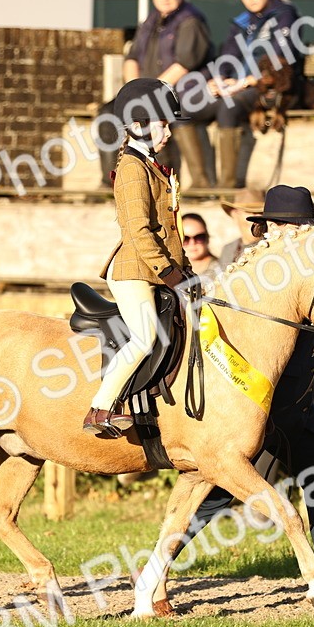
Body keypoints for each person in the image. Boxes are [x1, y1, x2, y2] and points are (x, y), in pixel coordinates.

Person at [164, 186, 314, 612]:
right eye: (292, 225)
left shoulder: (309, 263)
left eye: (304, 225)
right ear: (272, 227)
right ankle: (158, 566)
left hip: (295, 403)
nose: (299, 233)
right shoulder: (254, 268)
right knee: (213, 487)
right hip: (251, 403)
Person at [84, 78, 192, 437]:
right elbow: (138, 232)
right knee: (144, 337)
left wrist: (187, 273)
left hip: (157, 268)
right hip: (134, 271)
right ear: (137, 126)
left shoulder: (151, 166)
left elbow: (170, 230)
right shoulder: (132, 168)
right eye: (163, 124)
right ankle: (101, 408)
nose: (169, 133)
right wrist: (170, 273)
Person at [186, 0, 305, 189]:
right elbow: (227, 55)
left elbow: (279, 63)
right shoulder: (242, 21)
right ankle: (202, 184)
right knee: (185, 111)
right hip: (235, 86)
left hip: (267, 88)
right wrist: (219, 80)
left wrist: (244, 82)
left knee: (227, 109)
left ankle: (228, 187)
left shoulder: (285, 15)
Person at [96, 0, 215, 190]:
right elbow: (131, 58)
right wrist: (133, 92)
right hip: (146, 92)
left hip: (178, 92)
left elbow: (184, 63)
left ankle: (164, 182)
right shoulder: (149, 21)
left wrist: (150, 94)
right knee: (107, 113)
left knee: (158, 118)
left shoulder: (191, 21)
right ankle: (110, 183)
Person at [181, 212, 223, 281]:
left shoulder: (222, 270)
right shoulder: (173, 272)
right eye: (185, 238)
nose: (192, 243)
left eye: (199, 237)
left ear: (207, 238)